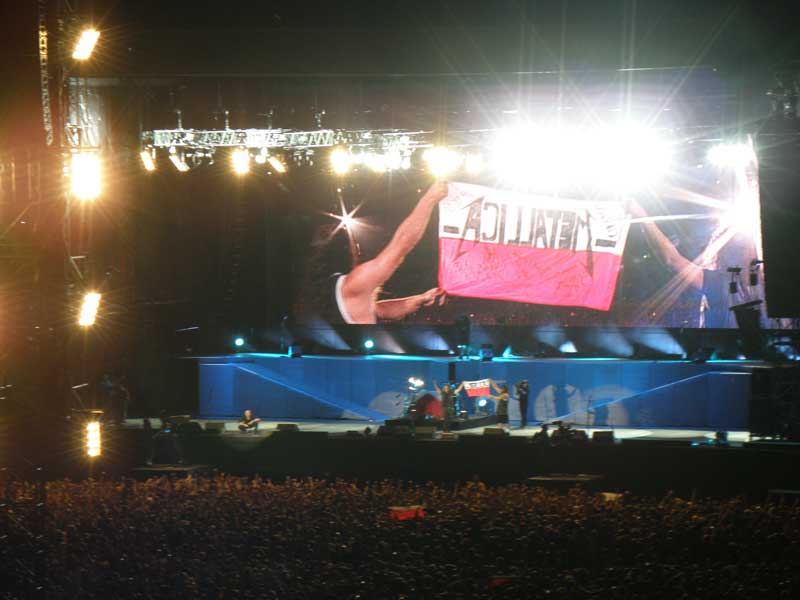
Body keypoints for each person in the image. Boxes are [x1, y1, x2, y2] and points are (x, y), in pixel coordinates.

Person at [304, 181, 449, 324]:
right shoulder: (354, 283)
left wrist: (420, 299)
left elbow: (380, 309)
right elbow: (400, 246)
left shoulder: (331, 291)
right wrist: (429, 199)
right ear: (348, 251)